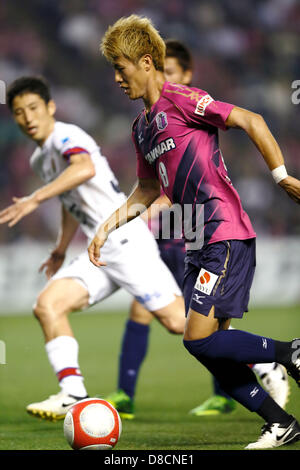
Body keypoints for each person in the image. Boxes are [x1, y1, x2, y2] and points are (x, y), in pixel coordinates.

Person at [88, 15, 300, 449]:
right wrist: (105, 227)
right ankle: (281, 421)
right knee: (208, 346)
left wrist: (280, 177)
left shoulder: (184, 99)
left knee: (198, 338)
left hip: (224, 230)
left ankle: (289, 354)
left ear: (146, 62)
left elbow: (252, 119)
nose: (115, 78)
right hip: (194, 241)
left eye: (120, 66)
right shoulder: (141, 127)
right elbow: (147, 189)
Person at [0, 75, 186, 421]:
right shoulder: (40, 159)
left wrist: (34, 197)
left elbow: (83, 168)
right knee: (47, 306)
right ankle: (73, 392)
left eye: (33, 108)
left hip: (126, 241)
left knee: (179, 323)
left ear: (50, 108)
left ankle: (266, 360)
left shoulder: (67, 135)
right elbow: (71, 201)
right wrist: (60, 248)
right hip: (98, 251)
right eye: (19, 112)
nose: (27, 117)